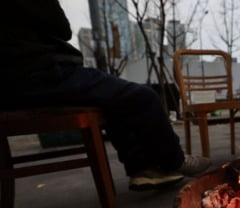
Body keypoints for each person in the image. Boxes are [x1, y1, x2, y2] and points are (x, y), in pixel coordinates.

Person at [1, 1, 210, 191]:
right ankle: (176, 160)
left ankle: (144, 169)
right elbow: (61, 27)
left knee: (112, 99)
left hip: (13, 83)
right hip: (39, 72)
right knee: (144, 97)